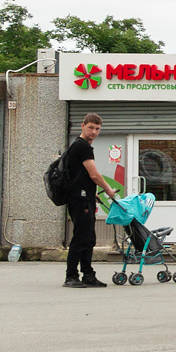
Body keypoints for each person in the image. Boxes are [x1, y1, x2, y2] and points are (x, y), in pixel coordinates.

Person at [64, 113, 118, 288]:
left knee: (89, 238)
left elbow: (80, 175)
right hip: (79, 199)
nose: (94, 132)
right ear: (82, 126)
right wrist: (108, 189)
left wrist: (91, 193)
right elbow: (94, 174)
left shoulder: (79, 146)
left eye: (97, 129)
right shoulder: (82, 147)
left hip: (83, 197)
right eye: (91, 128)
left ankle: (88, 275)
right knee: (81, 238)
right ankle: (71, 276)